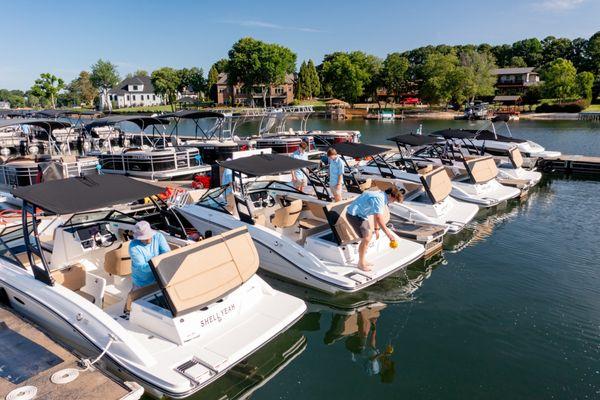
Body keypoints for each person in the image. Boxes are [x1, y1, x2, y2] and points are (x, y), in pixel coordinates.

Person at [346, 187, 403, 271]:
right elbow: (379, 218)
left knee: (367, 238)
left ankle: (363, 260)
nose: (393, 202)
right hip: (354, 215)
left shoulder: (380, 195)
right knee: (366, 238)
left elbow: (376, 214)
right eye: (394, 200)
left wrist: (376, 229)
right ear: (391, 196)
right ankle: (360, 264)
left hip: (362, 215)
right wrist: (389, 235)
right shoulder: (379, 199)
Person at [129, 221, 170, 289]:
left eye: (149, 235)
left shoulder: (158, 236)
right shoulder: (133, 247)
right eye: (144, 238)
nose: (148, 239)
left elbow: (167, 253)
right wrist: (160, 262)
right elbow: (142, 267)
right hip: (142, 281)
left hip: (159, 277)